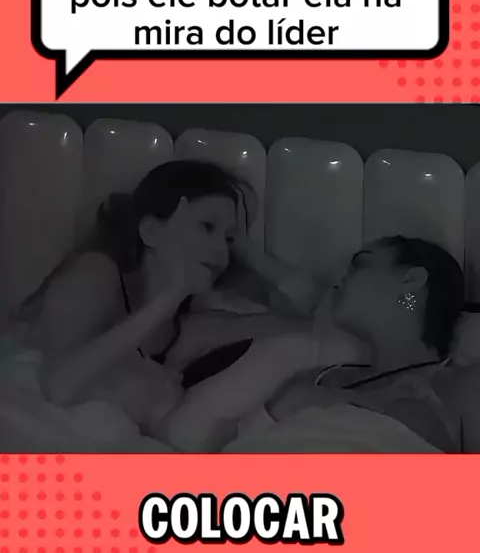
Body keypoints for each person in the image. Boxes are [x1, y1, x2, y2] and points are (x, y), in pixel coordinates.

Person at [9, 160, 319, 435]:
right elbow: (58, 387)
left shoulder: (191, 328)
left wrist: (252, 254)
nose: (221, 252)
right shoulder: (96, 274)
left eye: (228, 240)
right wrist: (167, 298)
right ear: (151, 231)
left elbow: (316, 324)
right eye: (206, 226)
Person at [205, 236, 467, 454]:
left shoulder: (456, 388)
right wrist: (277, 409)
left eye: (359, 264)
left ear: (411, 281)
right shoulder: (315, 379)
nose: (339, 278)